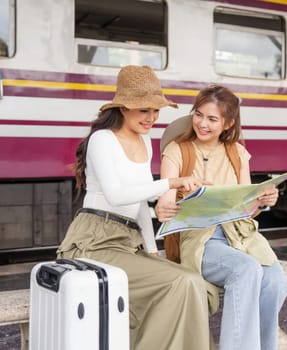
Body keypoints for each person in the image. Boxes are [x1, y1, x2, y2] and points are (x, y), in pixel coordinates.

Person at [56, 65, 213, 350]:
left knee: (191, 282)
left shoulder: (145, 140)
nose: (152, 118)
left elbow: (140, 203)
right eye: (144, 110)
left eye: (156, 111)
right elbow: (118, 195)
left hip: (130, 243)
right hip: (95, 242)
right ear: (124, 108)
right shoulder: (102, 140)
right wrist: (171, 182)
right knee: (183, 282)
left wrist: (153, 251)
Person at [155, 85, 287, 350]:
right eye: (198, 114)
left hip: (240, 236)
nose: (202, 123)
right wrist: (165, 209)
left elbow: (246, 208)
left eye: (212, 119)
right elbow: (165, 201)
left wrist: (263, 201)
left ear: (228, 124)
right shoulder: (177, 150)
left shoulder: (237, 152)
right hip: (202, 240)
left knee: (275, 280)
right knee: (245, 269)